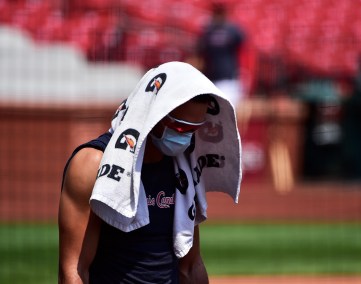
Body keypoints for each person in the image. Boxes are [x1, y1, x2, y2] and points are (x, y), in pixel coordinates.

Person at [58, 61, 241, 283]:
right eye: (181, 128)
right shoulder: (92, 165)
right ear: (153, 114)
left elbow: (190, 266)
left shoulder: (183, 167)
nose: (186, 138)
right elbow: (75, 270)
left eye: (194, 130)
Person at [195, 2, 246, 107]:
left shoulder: (233, 30)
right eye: (216, 12)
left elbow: (245, 52)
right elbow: (200, 54)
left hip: (228, 80)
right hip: (211, 80)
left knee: (227, 113)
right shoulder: (207, 31)